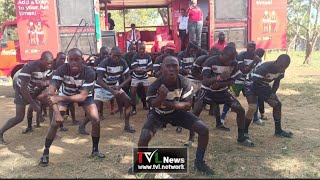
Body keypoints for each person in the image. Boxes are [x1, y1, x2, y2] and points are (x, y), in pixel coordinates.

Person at [128, 56, 214, 175]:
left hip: (177, 113)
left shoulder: (185, 82)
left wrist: (167, 103)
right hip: (158, 114)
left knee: (204, 130)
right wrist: (160, 97)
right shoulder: (155, 85)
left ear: (179, 68)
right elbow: (152, 104)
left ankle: (199, 162)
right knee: (144, 137)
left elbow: (188, 105)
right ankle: (140, 164)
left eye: (175, 66)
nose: (172, 69)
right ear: (162, 69)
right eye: (168, 66)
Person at [39, 48, 105, 166]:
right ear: (68, 60)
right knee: (54, 123)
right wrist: (58, 113)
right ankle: (45, 152)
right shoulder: (61, 70)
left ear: (82, 60)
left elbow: (82, 97)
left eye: (77, 59)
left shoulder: (89, 72)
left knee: (95, 119)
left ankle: (95, 150)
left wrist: (59, 98)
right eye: (71, 60)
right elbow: (51, 93)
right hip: (66, 93)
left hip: (83, 95)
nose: (74, 62)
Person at [192, 45, 254, 147]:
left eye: (232, 59)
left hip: (223, 91)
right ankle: (191, 138)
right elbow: (205, 81)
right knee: (196, 112)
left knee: (240, 110)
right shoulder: (210, 61)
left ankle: (241, 138)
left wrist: (222, 84)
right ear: (222, 54)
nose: (230, 62)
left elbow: (234, 79)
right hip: (207, 91)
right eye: (228, 58)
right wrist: (219, 78)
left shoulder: (234, 63)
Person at [0, 51, 54, 144]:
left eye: (51, 63)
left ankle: (52, 131)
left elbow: (50, 80)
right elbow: (23, 87)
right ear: (41, 60)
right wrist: (33, 103)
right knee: (19, 117)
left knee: (51, 102)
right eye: (48, 63)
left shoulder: (49, 67)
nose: (49, 65)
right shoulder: (30, 66)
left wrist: (46, 84)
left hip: (36, 89)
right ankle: (0, 132)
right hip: (22, 91)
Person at [79, 47, 136, 134]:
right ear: (110, 55)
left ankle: (127, 125)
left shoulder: (123, 62)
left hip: (114, 86)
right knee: (95, 109)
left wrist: (120, 86)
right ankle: (82, 125)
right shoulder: (104, 63)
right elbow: (99, 80)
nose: (116, 58)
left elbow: (128, 77)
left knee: (128, 100)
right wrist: (112, 91)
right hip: (101, 87)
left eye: (119, 56)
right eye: (114, 56)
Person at [244, 54, 293, 143]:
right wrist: (266, 98)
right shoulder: (265, 68)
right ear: (276, 61)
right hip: (251, 84)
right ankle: (244, 133)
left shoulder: (281, 70)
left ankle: (278, 131)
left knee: (278, 104)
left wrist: (272, 94)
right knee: (252, 108)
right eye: (281, 66)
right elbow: (255, 84)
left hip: (263, 85)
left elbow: (276, 83)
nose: (283, 69)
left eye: (285, 67)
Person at [220, 42, 265, 127]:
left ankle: (255, 118)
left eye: (253, 47)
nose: (252, 49)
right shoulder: (241, 56)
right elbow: (244, 70)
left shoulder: (258, 58)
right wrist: (253, 62)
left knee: (254, 100)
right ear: (247, 47)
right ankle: (222, 118)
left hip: (249, 82)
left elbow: (257, 71)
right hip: (237, 81)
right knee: (229, 99)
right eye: (250, 47)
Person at [130, 43, 153, 115]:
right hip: (135, 77)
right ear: (138, 49)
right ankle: (134, 109)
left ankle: (150, 108)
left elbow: (150, 67)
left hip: (144, 77)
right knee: (133, 92)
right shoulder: (135, 56)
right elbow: (135, 67)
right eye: (140, 48)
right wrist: (144, 70)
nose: (142, 50)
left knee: (148, 92)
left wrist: (144, 71)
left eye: (143, 48)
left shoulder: (147, 56)